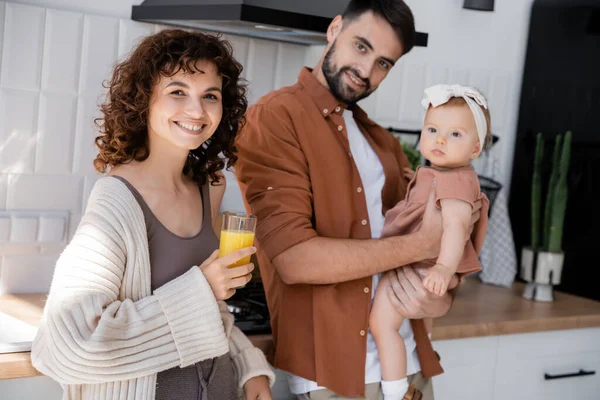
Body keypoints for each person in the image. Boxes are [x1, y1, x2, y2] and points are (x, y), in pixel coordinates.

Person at [233, 1, 482, 399]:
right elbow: (295, 260)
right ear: (335, 30)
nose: (367, 71)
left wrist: (439, 302)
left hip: (410, 369)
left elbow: (438, 253)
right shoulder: (276, 118)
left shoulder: (382, 141)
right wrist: (422, 244)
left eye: (384, 63)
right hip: (337, 377)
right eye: (361, 47)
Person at [31, 29, 275, 400]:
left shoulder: (209, 186)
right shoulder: (117, 198)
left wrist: (247, 365)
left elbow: (211, 311)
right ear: (143, 101)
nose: (197, 110)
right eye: (178, 92)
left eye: (210, 95)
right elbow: (71, 344)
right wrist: (203, 286)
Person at [369, 84, 491, 400]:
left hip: (423, 266)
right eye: (433, 129)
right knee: (418, 324)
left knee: (382, 325)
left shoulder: (455, 184)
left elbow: (455, 228)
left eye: (455, 135)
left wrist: (443, 267)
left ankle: (394, 391)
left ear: (475, 149)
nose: (439, 139)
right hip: (424, 265)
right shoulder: (443, 174)